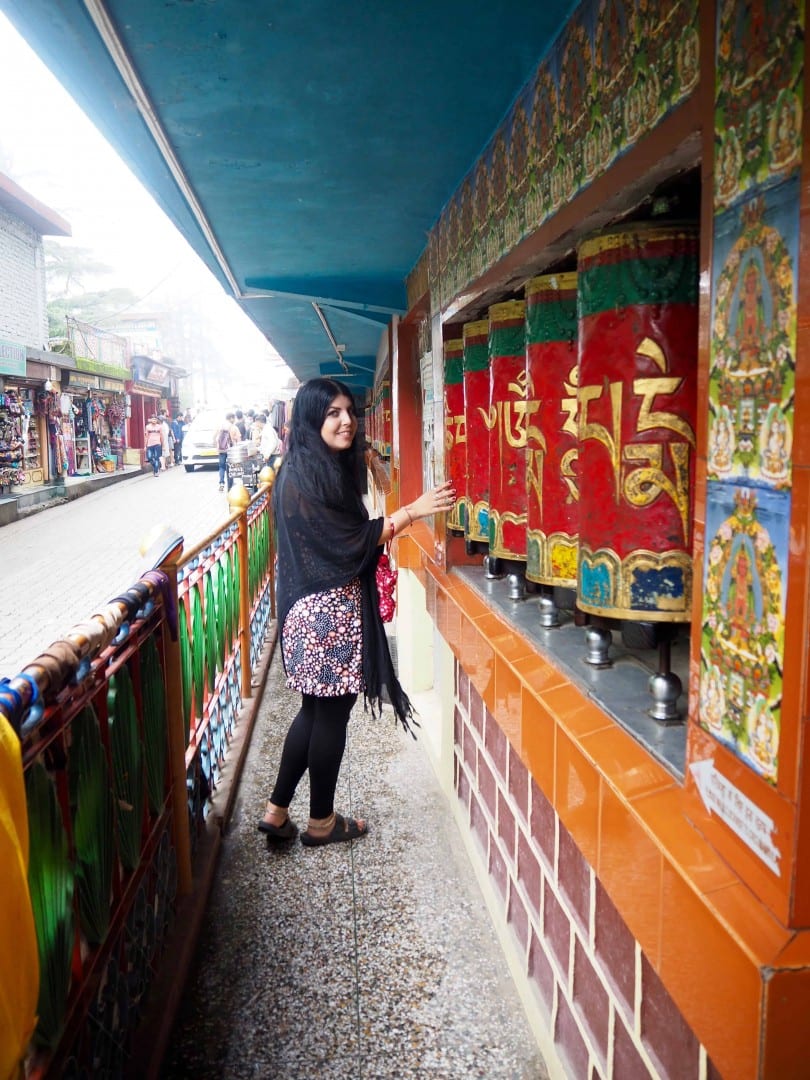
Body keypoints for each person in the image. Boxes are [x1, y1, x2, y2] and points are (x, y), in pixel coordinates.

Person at [258, 377, 455, 847]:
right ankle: (321, 822)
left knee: (312, 712)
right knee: (330, 717)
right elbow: (350, 543)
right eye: (332, 413)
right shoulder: (312, 474)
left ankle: (276, 811)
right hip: (327, 613)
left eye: (349, 411)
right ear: (310, 418)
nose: (346, 421)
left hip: (305, 612)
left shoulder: (299, 466)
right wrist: (413, 510)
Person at [214, 411, 240, 491]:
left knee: (221, 467)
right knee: (230, 467)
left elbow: (214, 437)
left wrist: (217, 447)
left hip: (221, 450)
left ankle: (221, 483)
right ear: (231, 418)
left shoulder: (220, 426)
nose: (234, 420)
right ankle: (230, 485)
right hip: (231, 451)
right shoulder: (234, 427)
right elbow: (239, 439)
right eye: (233, 418)